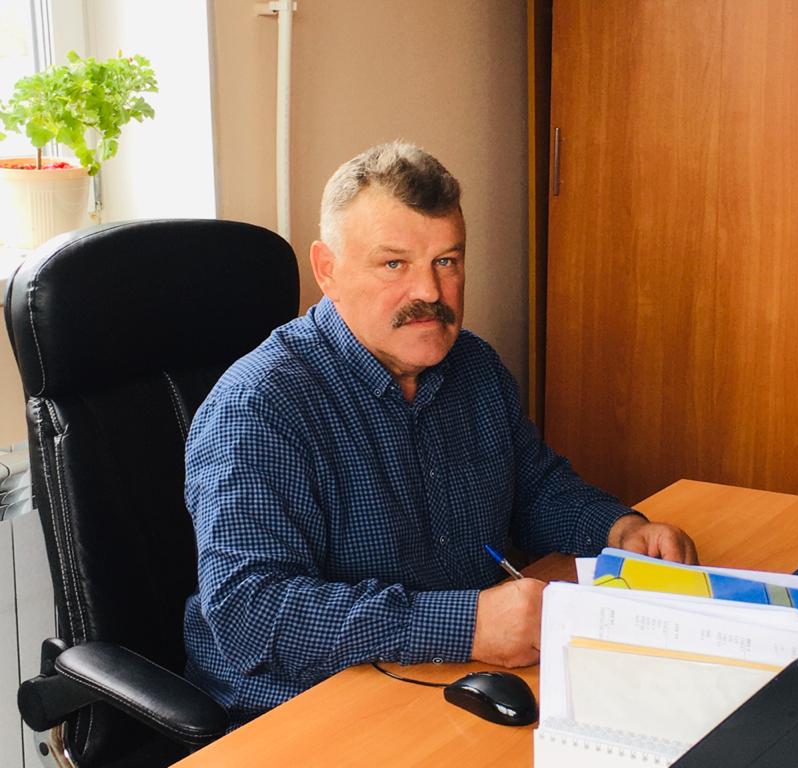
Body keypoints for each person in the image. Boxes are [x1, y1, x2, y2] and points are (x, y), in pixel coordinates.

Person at [182, 141, 697, 724]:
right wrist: (468, 625)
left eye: (446, 261)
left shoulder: (473, 366)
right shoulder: (259, 407)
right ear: (328, 270)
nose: (429, 292)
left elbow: (533, 489)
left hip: (452, 679)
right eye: (394, 264)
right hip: (305, 712)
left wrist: (618, 529)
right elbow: (250, 613)